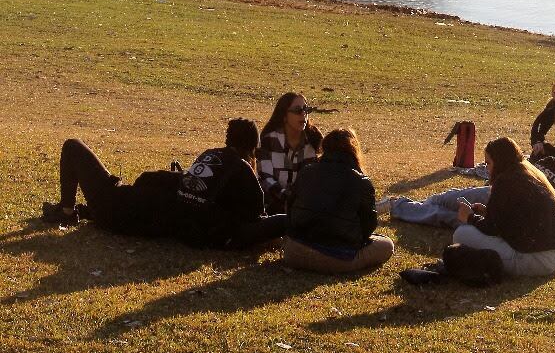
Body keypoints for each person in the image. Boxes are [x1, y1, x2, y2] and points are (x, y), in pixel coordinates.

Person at [42, 119, 289, 249]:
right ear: (252, 149)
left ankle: (66, 211)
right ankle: (74, 212)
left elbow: (148, 179)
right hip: (125, 216)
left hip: (114, 205)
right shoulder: (234, 182)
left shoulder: (209, 157)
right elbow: (258, 217)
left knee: (73, 145)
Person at [451, 137, 555, 278]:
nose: (487, 168)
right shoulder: (532, 176)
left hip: (537, 261)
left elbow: (492, 229)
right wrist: (487, 212)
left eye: (488, 163)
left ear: (499, 161)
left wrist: (470, 217)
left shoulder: (505, 181)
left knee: (462, 233)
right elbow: (520, 220)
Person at [283, 128, 394, 273]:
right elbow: (368, 225)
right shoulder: (360, 181)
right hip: (338, 257)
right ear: (354, 151)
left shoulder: (306, 172)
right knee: (386, 244)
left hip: (294, 252)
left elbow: (290, 210)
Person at [256, 92, 323, 214]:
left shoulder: (314, 141)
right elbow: (265, 179)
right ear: (284, 116)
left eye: (306, 110)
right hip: (272, 208)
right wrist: (288, 199)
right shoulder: (268, 140)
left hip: (305, 209)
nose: (303, 114)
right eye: (298, 110)